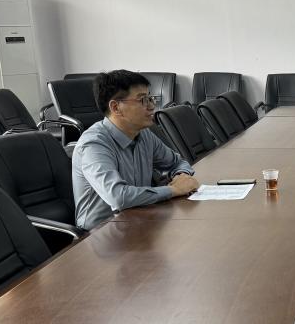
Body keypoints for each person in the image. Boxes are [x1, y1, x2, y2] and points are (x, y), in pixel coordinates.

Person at [72, 70, 200, 230]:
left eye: (150, 98)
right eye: (143, 100)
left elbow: (177, 162)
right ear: (116, 107)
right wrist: (173, 190)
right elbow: (118, 197)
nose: (152, 106)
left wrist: (182, 176)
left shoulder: (144, 134)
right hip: (100, 232)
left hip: (139, 219)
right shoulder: (94, 144)